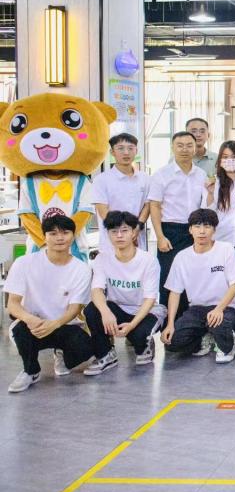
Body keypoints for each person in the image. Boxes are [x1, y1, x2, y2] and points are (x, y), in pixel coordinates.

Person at [5, 215, 92, 393]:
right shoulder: (24, 263)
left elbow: (74, 308)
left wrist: (55, 324)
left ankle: (61, 353)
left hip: (65, 325)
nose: (59, 238)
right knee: (20, 330)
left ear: (73, 236)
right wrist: (30, 319)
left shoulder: (82, 269)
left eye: (65, 233)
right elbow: (12, 304)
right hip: (34, 325)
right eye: (53, 233)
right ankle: (31, 371)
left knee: (85, 349)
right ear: (44, 236)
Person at [83, 211, 166, 374]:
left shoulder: (148, 260)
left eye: (124, 230)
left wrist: (132, 326)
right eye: (114, 231)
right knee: (92, 310)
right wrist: (106, 312)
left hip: (145, 311)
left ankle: (145, 344)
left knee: (140, 337)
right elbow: (97, 290)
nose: (119, 235)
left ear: (134, 232)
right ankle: (105, 354)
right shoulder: (102, 259)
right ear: (108, 234)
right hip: (119, 308)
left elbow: (150, 299)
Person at [161, 208, 235, 363]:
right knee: (172, 342)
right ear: (190, 229)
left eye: (207, 226)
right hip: (197, 309)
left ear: (214, 229)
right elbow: (175, 292)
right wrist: (170, 324)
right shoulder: (182, 257)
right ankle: (205, 338)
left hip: (226, 307)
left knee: (219, 324)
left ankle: (228, 344)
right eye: (197, 226)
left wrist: (219, 309)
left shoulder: (226, 249)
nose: (202, 231)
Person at [148, 131, 207, 306]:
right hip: (170, 230)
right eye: (180, 146)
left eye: (189, 145)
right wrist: (160, 236)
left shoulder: (201, 174)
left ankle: (190, 316)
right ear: (172, 148)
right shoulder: (161, 174)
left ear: (195, 148)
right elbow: (154, 206)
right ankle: (168, 317)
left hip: (194, 230)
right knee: (169, 275)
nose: (184, 149)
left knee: (193, 275)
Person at [205, 140, 235, 334]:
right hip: (220, 240)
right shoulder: (215, 182)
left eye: (233, 157)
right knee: (221, 283)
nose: (229, 161)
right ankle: (221, 321)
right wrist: (210, 193)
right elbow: (208, 212)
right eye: (225, 157)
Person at [89, 132, 150, 256]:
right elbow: (103, 211)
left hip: (137, 238)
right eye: (120, 148)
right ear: (112, 152)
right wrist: (123, 233)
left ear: (136, 151)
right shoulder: (101, 180)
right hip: (111, 240)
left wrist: (137, 227)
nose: (126, 152)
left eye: (130, 148)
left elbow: (147, 205)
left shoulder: (145, 178)